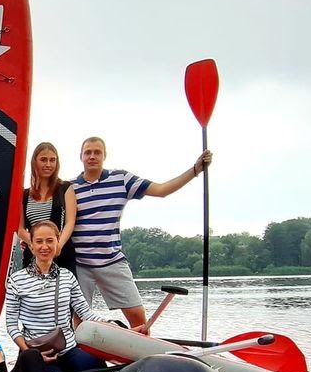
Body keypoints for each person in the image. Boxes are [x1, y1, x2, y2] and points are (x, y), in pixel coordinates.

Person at [72, 136, 213, 328]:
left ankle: (139, 354)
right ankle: (80, 356)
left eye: (97, 152)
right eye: (88, 152)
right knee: (78, 321)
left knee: (138, 319)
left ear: (105, 155)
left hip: (111, 260)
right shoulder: (70, 187)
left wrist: (195, 170)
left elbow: (162, 189)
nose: (92, 156)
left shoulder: (121, 179)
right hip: (80, 264)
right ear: (80, 156)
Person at [5, 221, 108, 372]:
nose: (45, 246)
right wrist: (30, 352)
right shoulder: (16, 280)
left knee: (97, 368)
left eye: (50, 240)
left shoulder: (67, 276)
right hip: (38, 351)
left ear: (58, 242)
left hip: (67, 348)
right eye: (39, 241)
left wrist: (114, 327)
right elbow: (11, 323)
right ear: (31, 245)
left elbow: (85, 313)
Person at [17, 142, 77, 271]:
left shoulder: (65, 188)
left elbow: (70, 222)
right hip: (33, 257)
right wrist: (36, 245)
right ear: (35, 162)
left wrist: (57, 246)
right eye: (43, 160)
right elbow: (20, 229)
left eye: (52, 160)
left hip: (61, 255)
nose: (48, 164)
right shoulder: (24, 194)